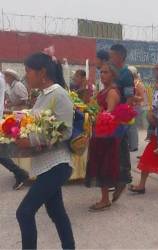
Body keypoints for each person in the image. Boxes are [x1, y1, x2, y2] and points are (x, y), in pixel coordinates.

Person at [15, 52, 75, 249]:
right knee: (56, 212)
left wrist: (31, 140)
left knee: (24, 212)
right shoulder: (42, 95)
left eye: (28, 71)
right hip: (45, 164)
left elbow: (65, 130)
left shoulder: (59, 94)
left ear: (42, 72)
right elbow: (38, 123)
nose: (26, 75)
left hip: (57, 164)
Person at [85, 63, 122, 211]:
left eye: (106, 72)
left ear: (112, 74)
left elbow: (109, 113)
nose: (102, 75)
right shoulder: (104, 90)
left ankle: (105, 199)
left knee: (103, 166)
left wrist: (96, 114)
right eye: (101, 72)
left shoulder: (112, 92)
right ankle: (106, 196)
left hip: (106, 134)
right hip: (100, 132)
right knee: (101, 165)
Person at [109, 44, 135, 201]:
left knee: (121, 148)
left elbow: (130, 98)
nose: (111, 58)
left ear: (120, 56)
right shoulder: (112, 72)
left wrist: (124, 117)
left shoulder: (126, 75)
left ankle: (123, 178)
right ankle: (117, 177)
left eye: (112, 55)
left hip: (120, 117)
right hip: (111, 115)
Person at [0, 71, 29, 190]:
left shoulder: (17, 85)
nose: (6, 77)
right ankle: (20, 173)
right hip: (12, 112)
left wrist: (11, 104)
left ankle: (20, 173)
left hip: (19, 112)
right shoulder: (9, 85)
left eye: (8, 75)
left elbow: (24, 99)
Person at [127, 66, 145, 152]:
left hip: (136, 107)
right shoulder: (132, 83)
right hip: (131, 107)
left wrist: (132, 97)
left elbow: (142, 98)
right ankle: (131, 144)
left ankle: (133, 146)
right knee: (129, 127)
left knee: (133, 127)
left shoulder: (139, 84)